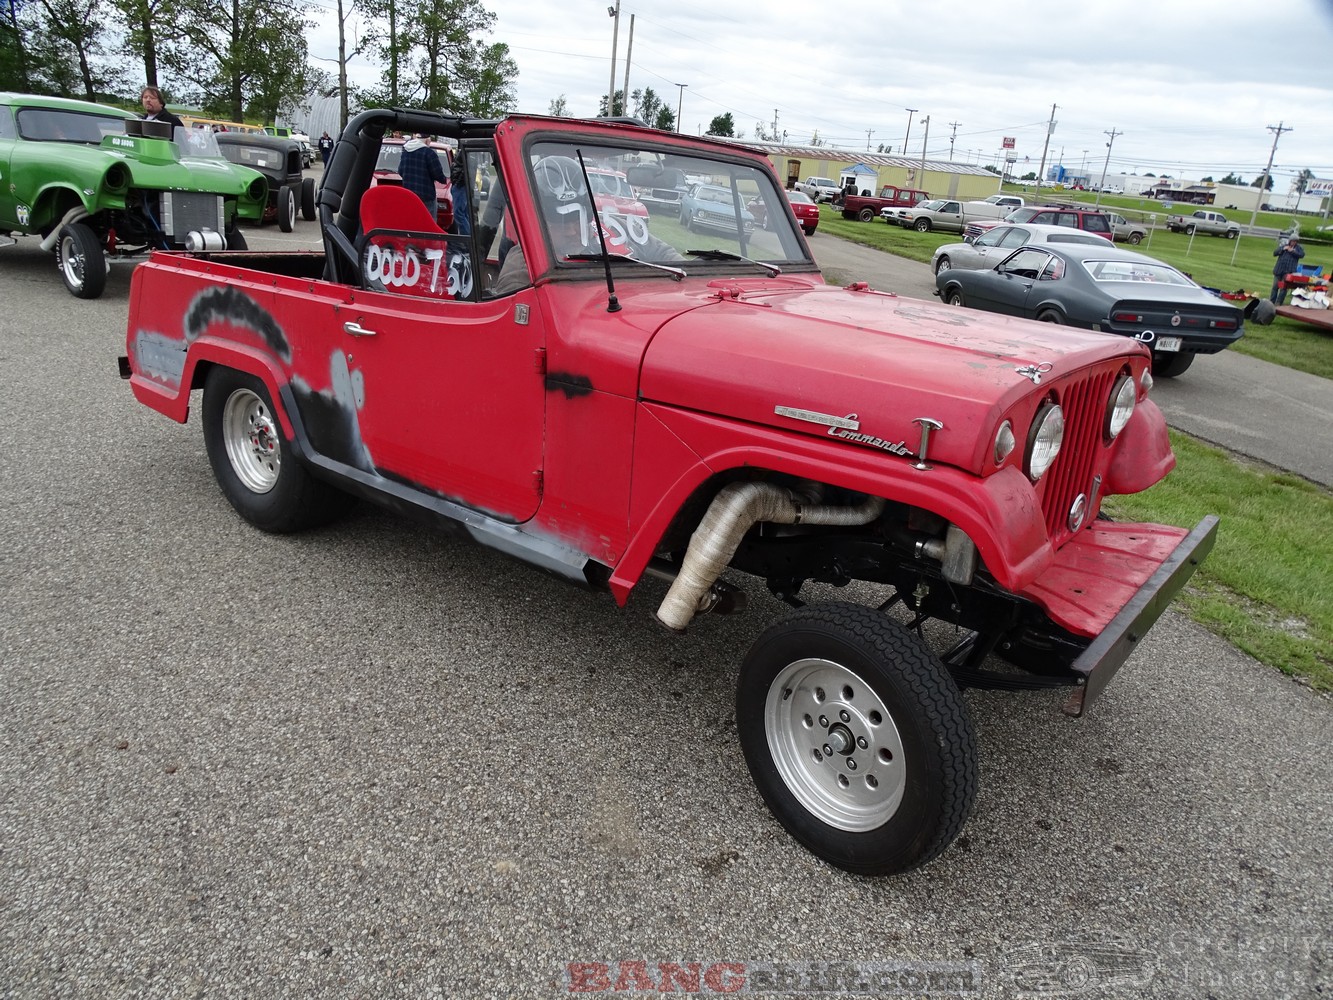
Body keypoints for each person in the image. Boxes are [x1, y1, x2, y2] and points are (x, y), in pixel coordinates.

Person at [398, 134, 447, 221]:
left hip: (409, 194)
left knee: (412, 221)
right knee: (428, 222)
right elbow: (437, 173)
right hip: (426, 194)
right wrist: (444, 180)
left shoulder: (406, 151)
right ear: (427, 140)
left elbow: (400, 170)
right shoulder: (429, 153)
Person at [1270, 236, 1306, 305]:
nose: (1294, 242)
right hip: (1279, 269)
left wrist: (1292, 251)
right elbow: (1275, 253)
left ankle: (1279, 303)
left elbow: (1302, 255)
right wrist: (1283, 249)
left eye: (1295, 241)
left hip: (1289, 271)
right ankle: (1271, 302)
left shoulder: (1298, 248)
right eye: (1293, 241)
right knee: (1275, 286)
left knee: (1283, 287)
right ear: (1290, 240)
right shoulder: (1284, 245)